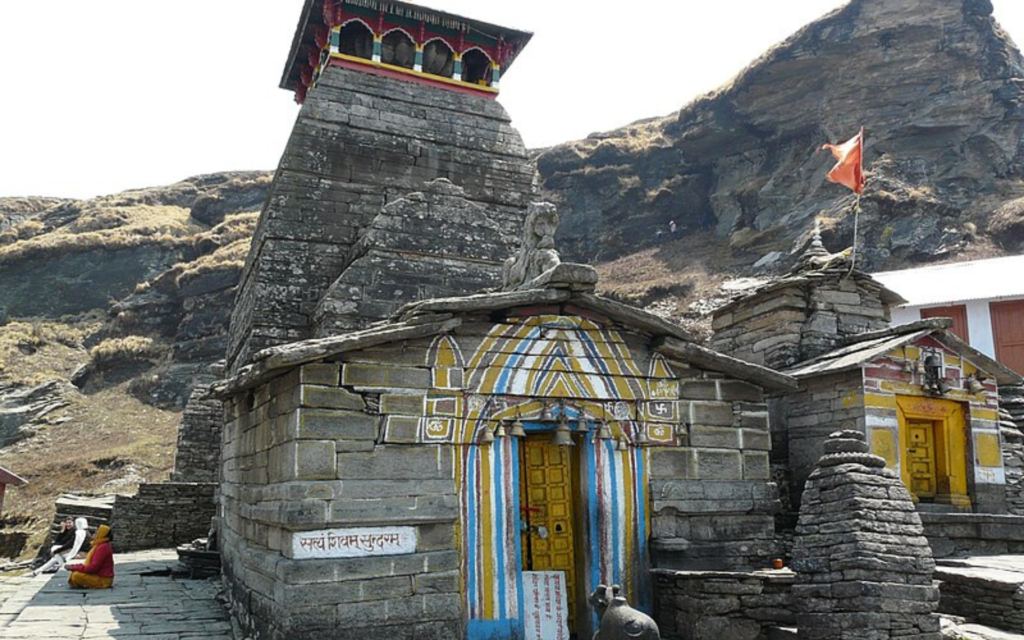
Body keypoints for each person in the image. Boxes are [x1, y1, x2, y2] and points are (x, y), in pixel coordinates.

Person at [66, 524, 114, 589]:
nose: (94, 534)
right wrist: (75, 567)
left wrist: (74, 567)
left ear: (101, 534)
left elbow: (93, 568)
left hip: (103, 580)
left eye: (96, 533)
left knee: (76, 575)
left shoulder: (103, 547)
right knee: (75, 574)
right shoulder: (100, 545)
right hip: (98, 576)